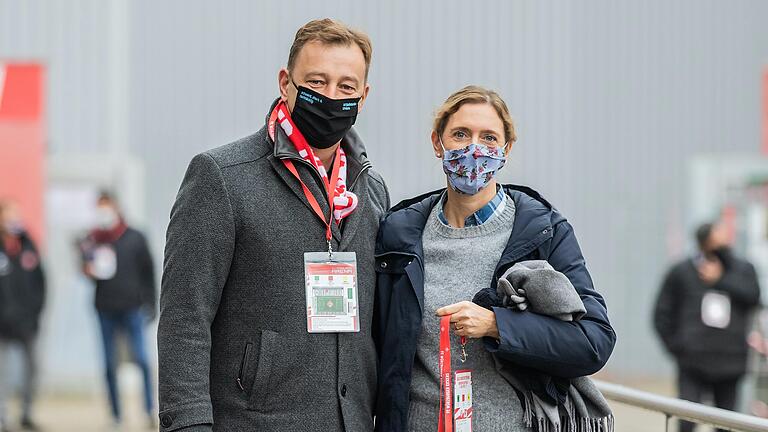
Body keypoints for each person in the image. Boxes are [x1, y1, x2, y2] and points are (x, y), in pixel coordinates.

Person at [158, 18, 389, 431]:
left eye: (346, 87)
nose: (331, 97)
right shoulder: (222, 178)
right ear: (286, 83)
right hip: (254, 421)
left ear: (364, 95)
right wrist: (187, 423)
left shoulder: (371, 191)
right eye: (316, 82)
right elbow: (184, 317)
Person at [373, 86, 616, 431]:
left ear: (506, 150)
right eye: (460, 134)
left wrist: (497, 325)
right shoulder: (399, 234)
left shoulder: (542, 231)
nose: (474, 149)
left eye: (489, 138)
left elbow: (595, 341)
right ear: (437, 142)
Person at [654, 222, 761, 432]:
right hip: (693, 361)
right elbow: (662, 314)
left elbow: (753, 296)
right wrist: (678, 347)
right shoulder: (682, 272)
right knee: (686, 420)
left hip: (730, 362)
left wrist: (722, 278)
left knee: (725, 424)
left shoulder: (743, 270)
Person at [78, 191, 156, 429]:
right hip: (105, 308)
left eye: (106, 207)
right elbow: (86, 270)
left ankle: (148, 410)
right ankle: (115, 414)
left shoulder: (135, 237)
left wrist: (151, 303)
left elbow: (148, 272)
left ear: (116, 207)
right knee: (109, 363)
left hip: (133, 307)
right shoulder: (92, 239)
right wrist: (87, 270)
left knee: (141, 359)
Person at [0, 200, 45, 432]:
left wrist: (35, 312)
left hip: (28, 322)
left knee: (32, 369)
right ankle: (2, 418)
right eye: (8, 215)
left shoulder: (29, 247)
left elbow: (41, 283)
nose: (13, 220)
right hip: (3, 325)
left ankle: (27, 414)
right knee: (3, 373)